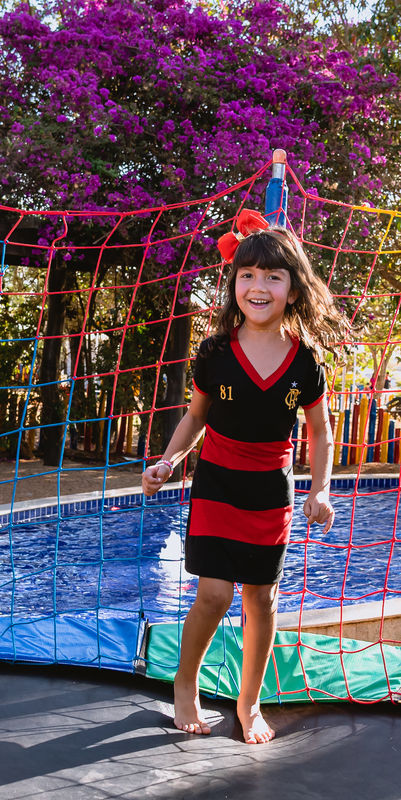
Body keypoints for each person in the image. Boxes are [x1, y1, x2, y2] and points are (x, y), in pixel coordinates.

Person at [142, 217, 349, 743]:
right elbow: (194, 418)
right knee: (213, 594)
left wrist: (321, 488)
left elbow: (321, 433)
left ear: (293, 288)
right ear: (234, 285)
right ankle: (185, 686)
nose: (259, 286)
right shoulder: (213, 352)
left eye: (273, 277)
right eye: (248, 275)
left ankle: (249, 703)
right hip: (216, 484)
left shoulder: (306, 362)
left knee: (262, 600)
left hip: (269, 493)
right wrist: (168, 462)